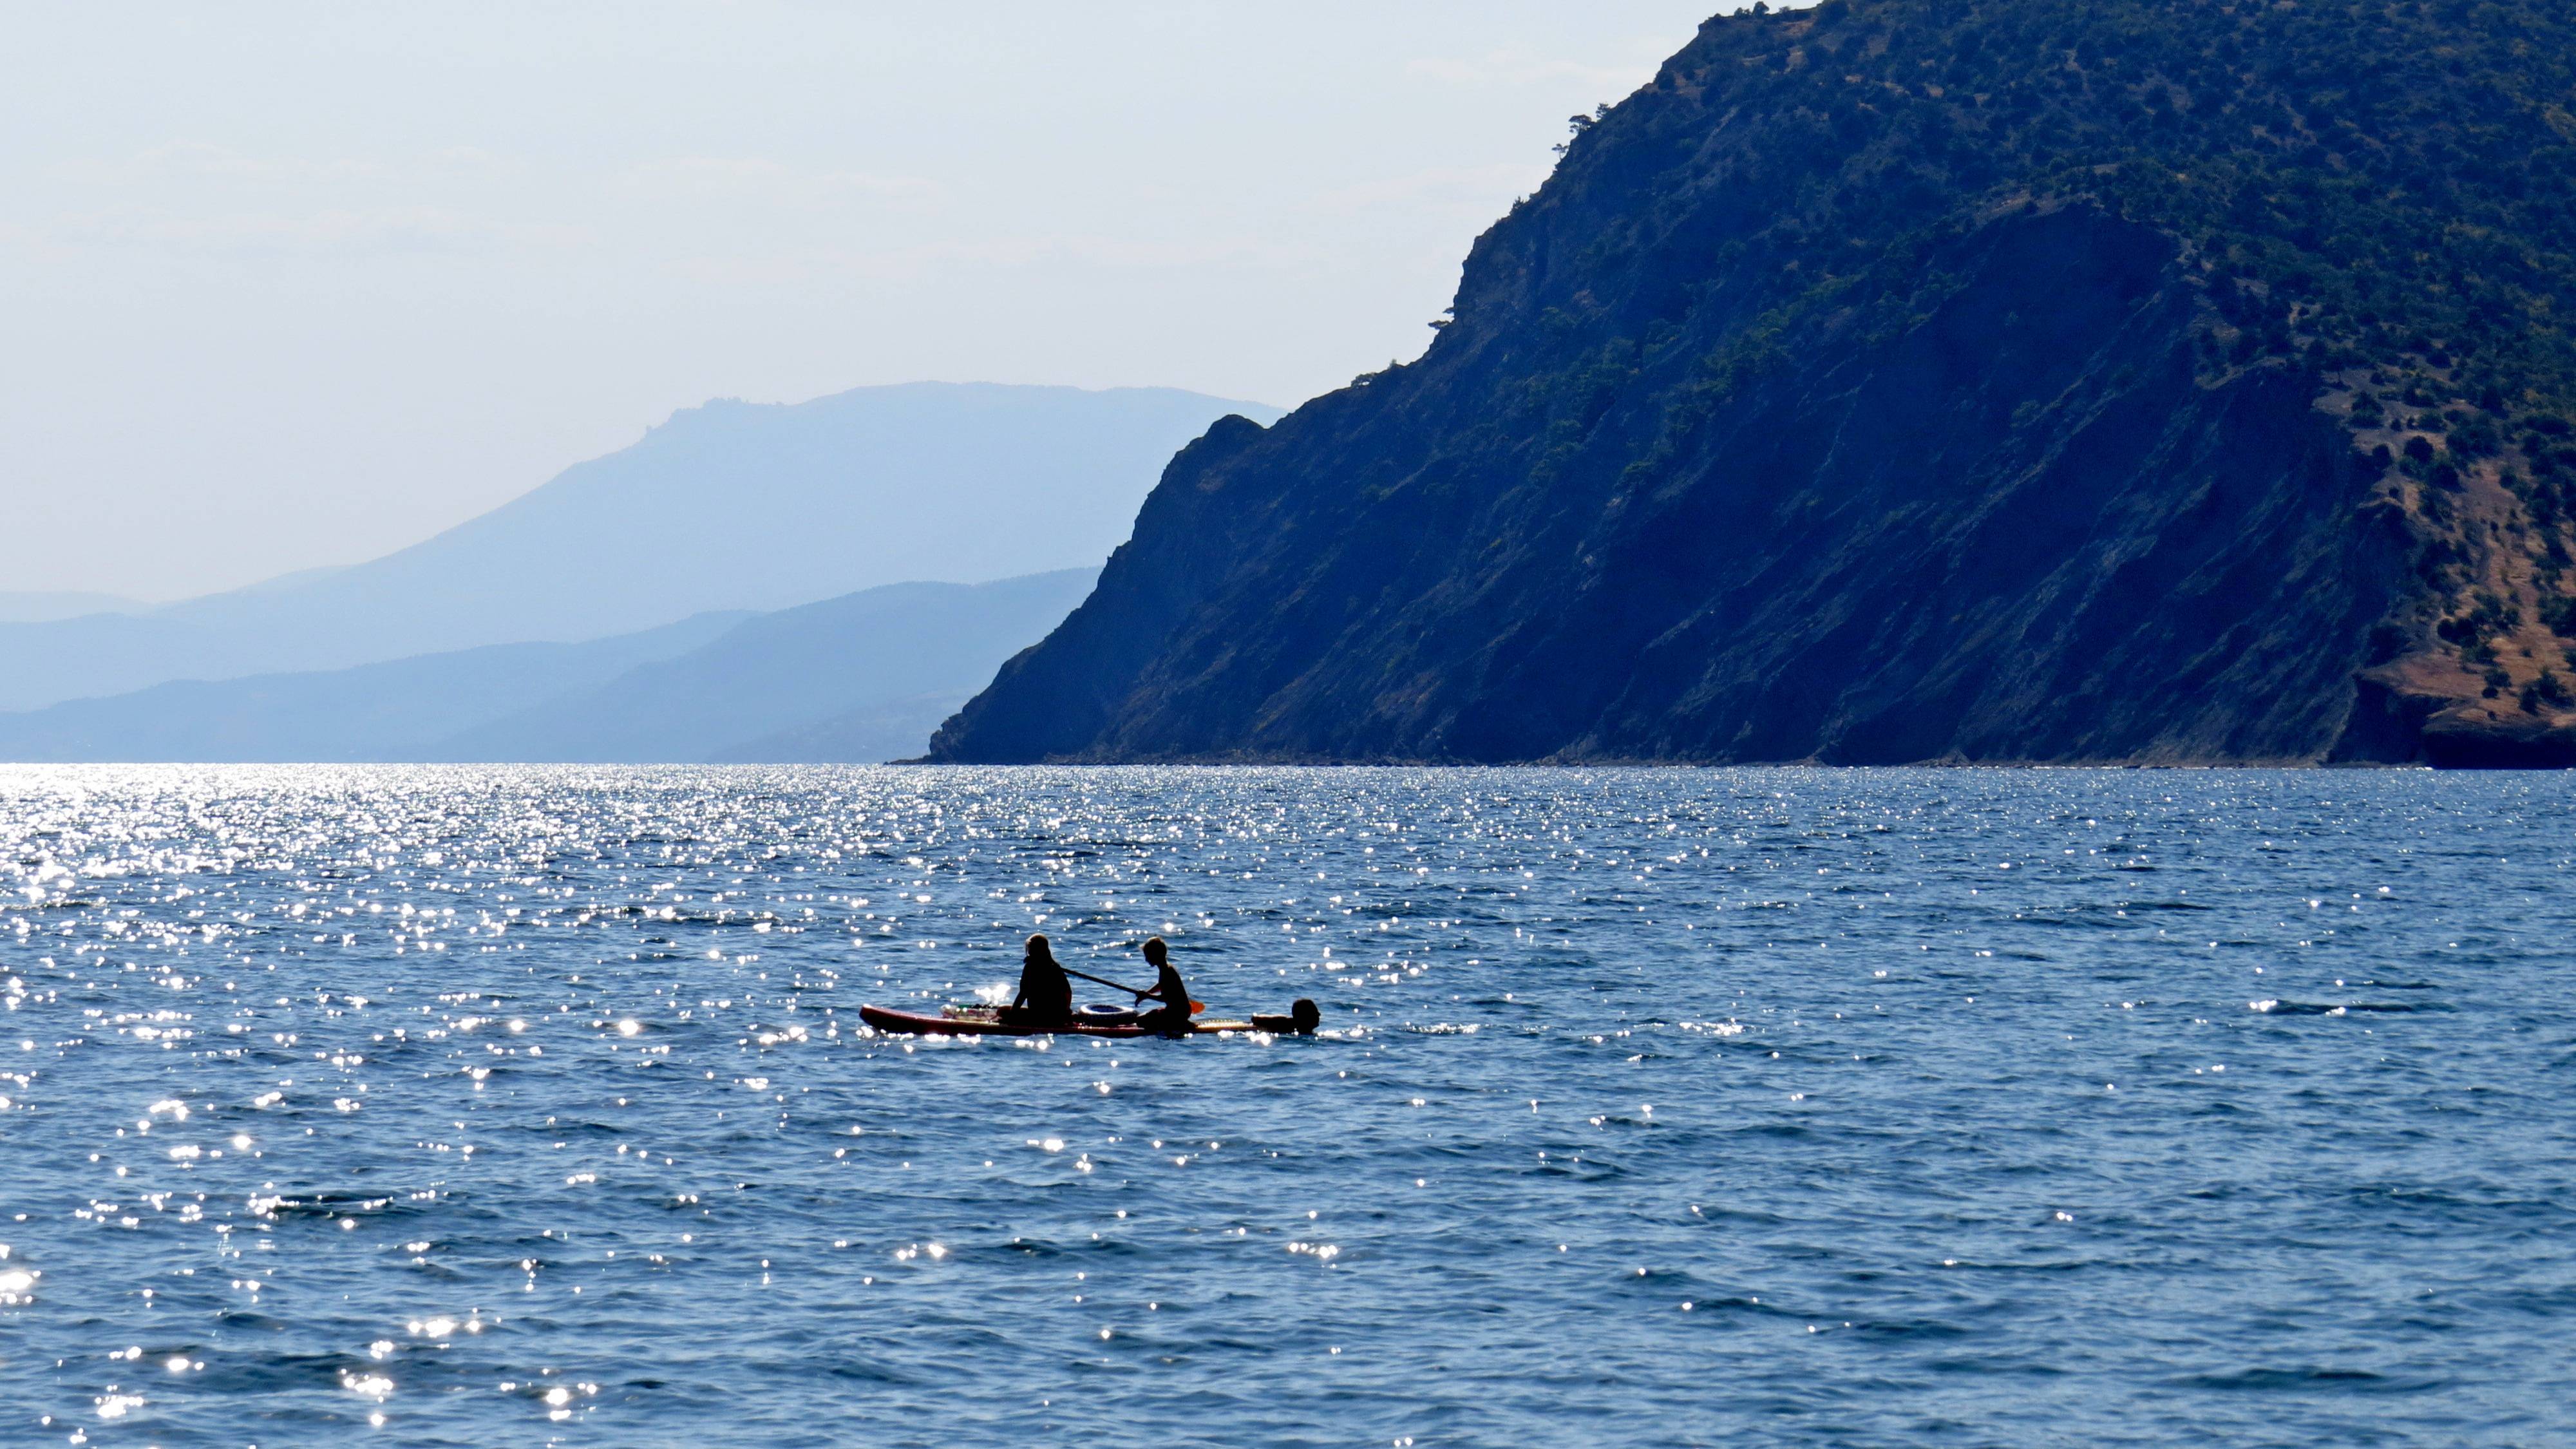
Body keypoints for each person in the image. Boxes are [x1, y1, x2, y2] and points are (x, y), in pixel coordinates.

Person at [1004, 933, 1073, 1028]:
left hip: (1038, 1016)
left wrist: (1011, 1016)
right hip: (1058, 1016)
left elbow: (1023, 994)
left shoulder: (1030, 967)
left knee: (1002, 1011)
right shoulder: (1055, 967)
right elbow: (1068, 992)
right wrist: (1066, 1011)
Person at [1133, 936, 1192, 1036]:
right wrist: (1147, 994)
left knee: (1140, 1021)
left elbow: (1165, 998)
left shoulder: (1167, 972)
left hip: (1178, 1013)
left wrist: (1147, 996)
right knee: (1142, 1018)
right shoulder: (1166, 968)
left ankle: (1178, 1024)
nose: (1146, 959)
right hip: (1180, 1011)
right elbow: (1162, 985)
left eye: (1147, 955)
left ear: (1155, 955)